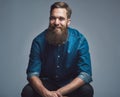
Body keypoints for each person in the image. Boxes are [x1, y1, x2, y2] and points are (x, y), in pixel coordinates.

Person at [21, 2, 94, 97]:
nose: (56, 22)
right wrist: (46, 93)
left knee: (87, 90)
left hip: (70, 85)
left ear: (68, 21)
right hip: (46, 84)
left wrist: (58, 93)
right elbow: (32, 74)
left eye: (61, 19)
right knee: (28, 92)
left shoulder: (80, 40)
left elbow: (85, 74)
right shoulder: (38, 41)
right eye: (53, 18)